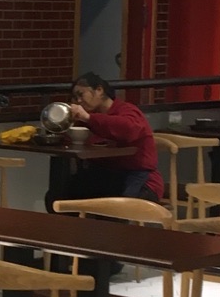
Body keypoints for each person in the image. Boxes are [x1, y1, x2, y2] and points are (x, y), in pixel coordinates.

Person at [65, 72, 163, 201]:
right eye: (75, 97)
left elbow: (129, 129)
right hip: (104, 174)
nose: (78, 101)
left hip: (138, 176)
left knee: (119, 206)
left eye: (81, 94)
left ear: (99, 90)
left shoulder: (126, 110)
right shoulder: (85, 118)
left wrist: (88, 118)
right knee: (63, 194)